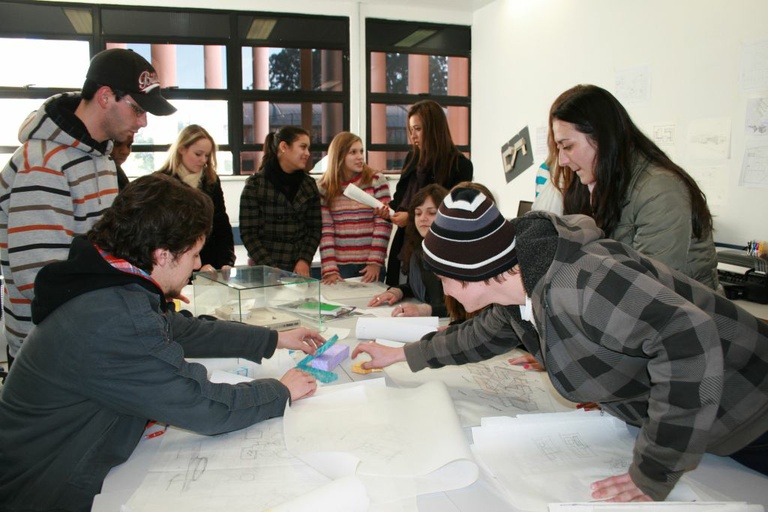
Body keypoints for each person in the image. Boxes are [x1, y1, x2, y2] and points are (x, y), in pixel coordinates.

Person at [354, 187, 768, 502]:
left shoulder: (581, 282)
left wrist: (654, 472)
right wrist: (401, 354)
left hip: (751, 406)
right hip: (707, 423)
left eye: (444, 277)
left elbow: (689, 339)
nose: (443, 287)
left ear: (472, 274)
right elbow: (477, 336)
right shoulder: (522, 288)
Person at [0, 174, 324, 511]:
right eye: (194, 254)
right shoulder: (113, 317)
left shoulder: (107, 284)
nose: (198, 264)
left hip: (70, 462)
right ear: (163, 254)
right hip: (44, 492)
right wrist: (280, 391)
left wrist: (273, 338)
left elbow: (182, 330)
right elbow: (203, 406)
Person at [0, 48, 175, 370]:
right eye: (137, 109)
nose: (143, 121)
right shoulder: (43, 164)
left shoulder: (102, 160)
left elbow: (108, 250)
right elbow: (38, 278)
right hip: (48, 353)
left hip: (92, 336)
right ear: (106, 96)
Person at [550, 84, 719, 289]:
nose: (561, 161)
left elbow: (650, 291)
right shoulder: (593, 185)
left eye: (567, 146)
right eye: (559, 148)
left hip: (686, 316)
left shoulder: (660, 190)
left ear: (602, 137)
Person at [383, 99, 474, 287]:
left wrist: (411, 217)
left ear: (433, 128)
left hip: (438, 249)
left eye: (418, 129)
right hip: (404, 245)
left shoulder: (459, 165)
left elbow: (453, 213)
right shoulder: (412, 158)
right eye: (410, 130)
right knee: (398, 295)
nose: (413, 136)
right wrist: (387, 212)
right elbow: (400, 199)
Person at [239, 126, 321, 276]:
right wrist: (271, 267)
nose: (308, 154)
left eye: (308, 148)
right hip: (264, 268)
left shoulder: (309, 184)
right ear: (284, 147)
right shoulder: (255, 185)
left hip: (298, 268)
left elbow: (314, 228)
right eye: (302, 147)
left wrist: (304, 259)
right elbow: (248, 233)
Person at [156, 124, 235, 271]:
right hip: (175, 264)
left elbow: (221, 224)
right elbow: (162, 233)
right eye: (198, 154)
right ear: (181, 149)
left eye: (207, 155)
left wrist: (226, 261)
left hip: (211, 262)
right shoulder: (162, 182)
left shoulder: (211, 181)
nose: (203, 160)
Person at [317, 131, 392, 284]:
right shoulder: (324, 187)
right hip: (339, 267)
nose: (360, 157)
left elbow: (383, 223)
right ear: (339, 156)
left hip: (370, 266)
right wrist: (329, 268)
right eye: (353, 152)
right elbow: (325, 229)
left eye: (361, 151)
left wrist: (375, 261)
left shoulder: (376, 180)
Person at [368, 184, 448, 317]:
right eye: (418, 213)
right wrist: (395, 292)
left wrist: (424, 310)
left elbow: (462, 308)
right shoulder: (418, 251)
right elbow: (417, 287)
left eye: (432, 213)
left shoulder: (456, 255)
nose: (423, 218)